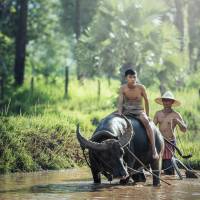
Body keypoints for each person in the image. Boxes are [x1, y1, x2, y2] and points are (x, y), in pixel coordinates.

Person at [117, 69, 159, 159]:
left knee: (147, 123)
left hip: (139, 111)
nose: (132, 79)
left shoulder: (141, 88)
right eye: (130, 77)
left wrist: (147, 115)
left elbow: (147, 101)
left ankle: (154, 149)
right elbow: (120, 102)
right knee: (113, 119)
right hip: (126, 110)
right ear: (126, 78)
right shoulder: (122, 88)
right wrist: (119, 113)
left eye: (134, 77)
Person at [153, 91, 187, 174]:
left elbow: (184, 130)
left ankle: (170, 174)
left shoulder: (176, 115)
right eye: (164, 100)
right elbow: (153, 127)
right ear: (162, 102)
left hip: (170, 142)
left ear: (172, 102)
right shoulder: (158, 113)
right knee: (157, 163)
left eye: (168, 100)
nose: (166, 102)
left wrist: (178, 122)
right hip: (160, 142)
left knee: (169, 165)